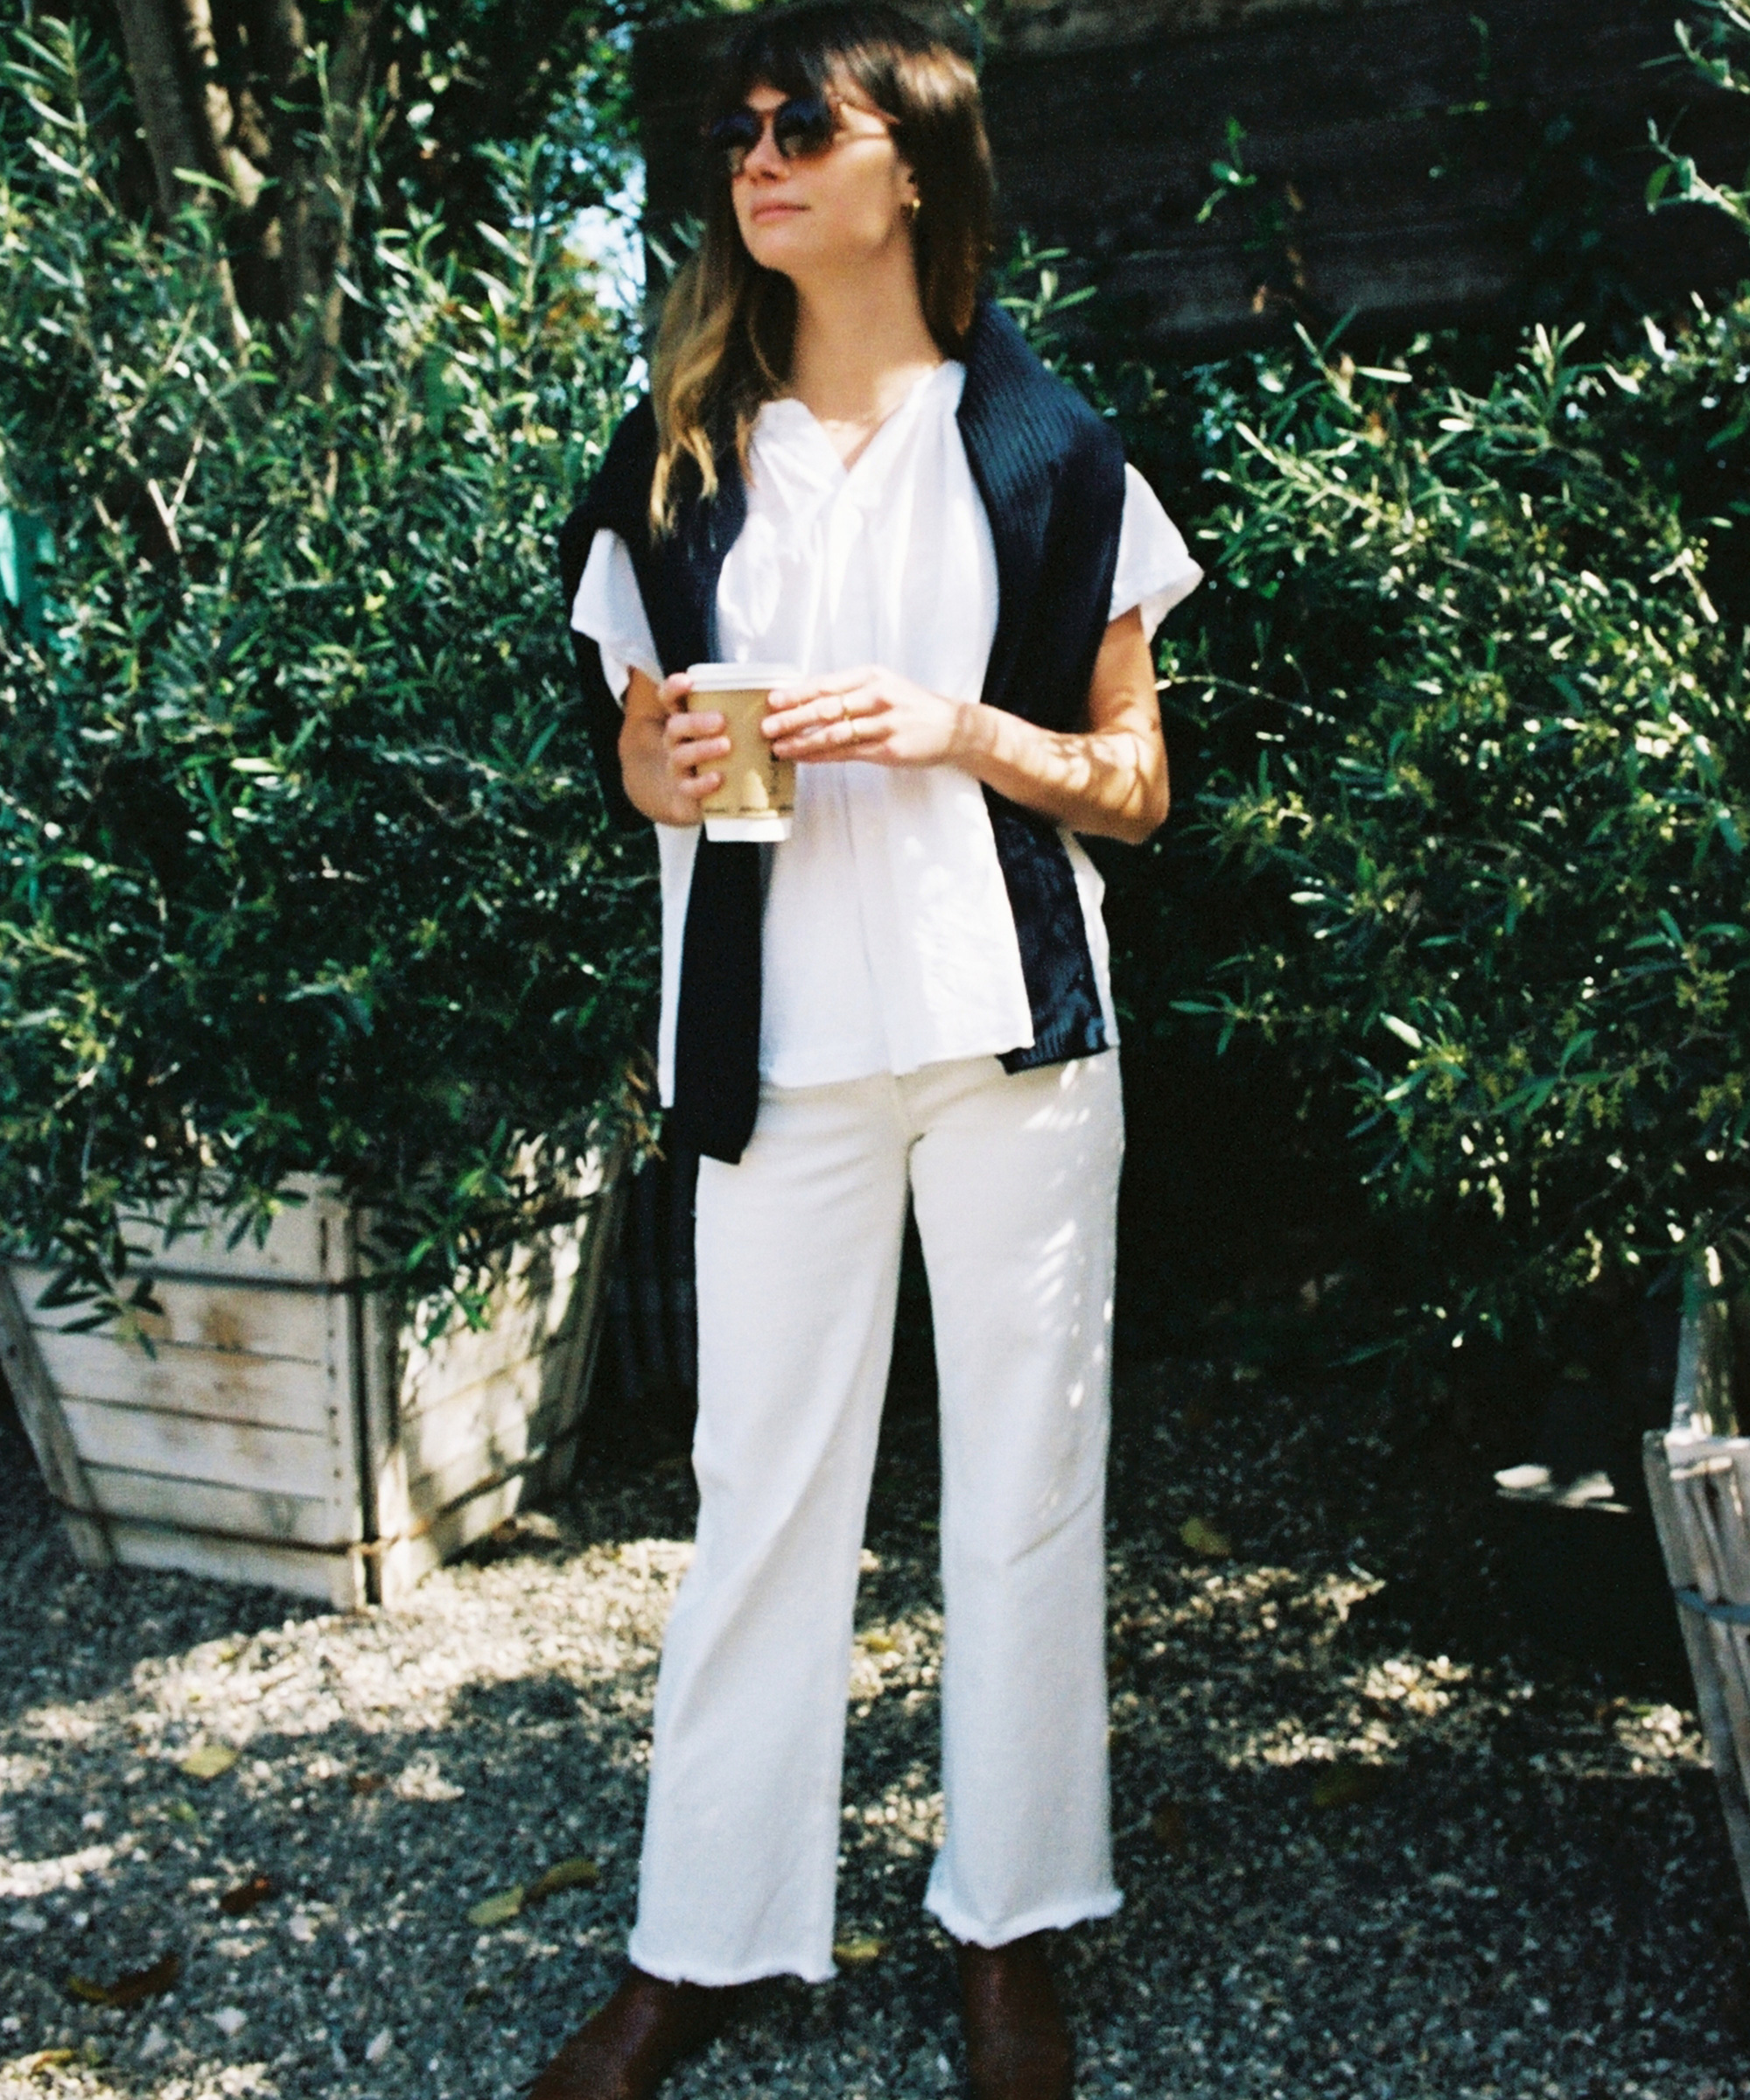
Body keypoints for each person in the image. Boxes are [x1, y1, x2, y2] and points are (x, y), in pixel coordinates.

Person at [542, 6, 1200, 2095]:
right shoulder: (671, 461)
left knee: (1023, 1485)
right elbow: (644, 766)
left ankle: (1012, 1928)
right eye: (734, 132)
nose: (755, 158)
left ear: (908, 168)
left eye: (797, 126)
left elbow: (1136, 783)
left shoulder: (1049, 452)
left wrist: (953, 733)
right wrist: (657, 772)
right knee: (758, 1494)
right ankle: (702, 1940)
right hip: (776, 1049)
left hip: (1012, 1035)